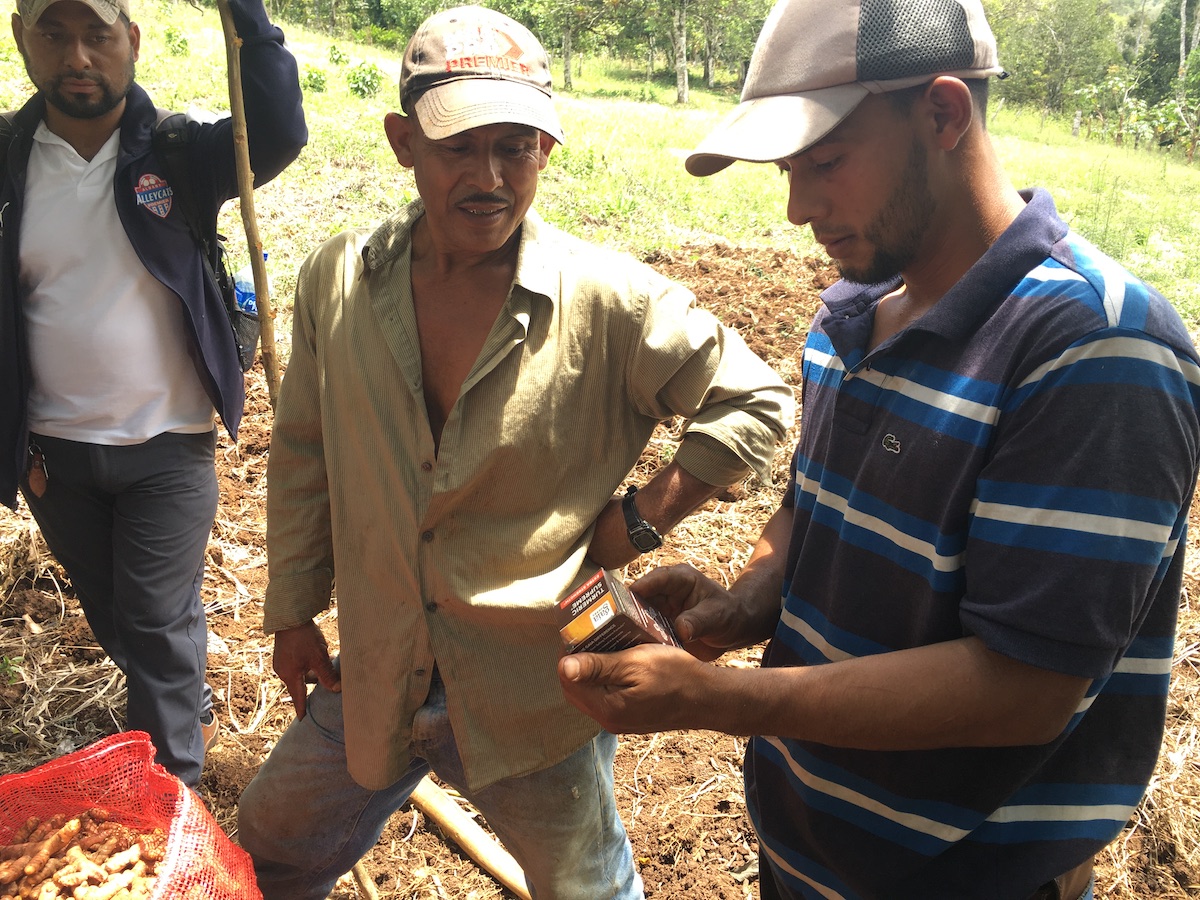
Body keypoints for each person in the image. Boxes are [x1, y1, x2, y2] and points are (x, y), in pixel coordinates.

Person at [557, 1, 1200, 898]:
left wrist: (721, 703)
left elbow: (1023, 687)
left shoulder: (1094, 347)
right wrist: (742, 606)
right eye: (789, 169)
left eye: (825, 163)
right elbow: (810, 510)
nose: (796, 208)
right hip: (809, 853)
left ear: (942, 114)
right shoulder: (846, 320)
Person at [234, 5, 793, 899]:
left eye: (516, 146)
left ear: (547, 151)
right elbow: (304, 451)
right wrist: (294, 609)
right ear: (402, 142)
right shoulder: (339, 281)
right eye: (458, 147)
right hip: (377, 671)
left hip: (534, 689)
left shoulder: (607, 301)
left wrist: (642, 519)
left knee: (586, 888)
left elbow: (756, 400)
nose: (488, 177)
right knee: (264, 855)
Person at [0, 0, 306, 788]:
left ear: (131, 41)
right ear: (20, 41)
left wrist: (247, 17)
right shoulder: (6, 158)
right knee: (119, 618)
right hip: (53, 453)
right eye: (53, 33)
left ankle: (172, 798)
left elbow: (276, 131)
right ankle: (181, 696)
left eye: (97, 34)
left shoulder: (179, 154)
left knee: (154, 616)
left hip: (166, 445)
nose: (78, 56)